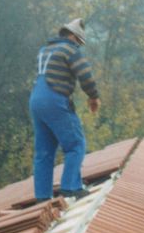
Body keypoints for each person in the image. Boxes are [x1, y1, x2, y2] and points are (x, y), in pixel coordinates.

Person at [29, 18, 101, 201]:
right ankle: (70, 186)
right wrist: (93, 96)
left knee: (44, 152)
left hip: (36, 100)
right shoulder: (70, 49)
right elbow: (85, 75)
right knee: (76, 144)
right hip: (55, 99)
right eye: (79, 41)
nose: (79, 46)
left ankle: (42, 196)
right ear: (72, 36)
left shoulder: (44, 50)